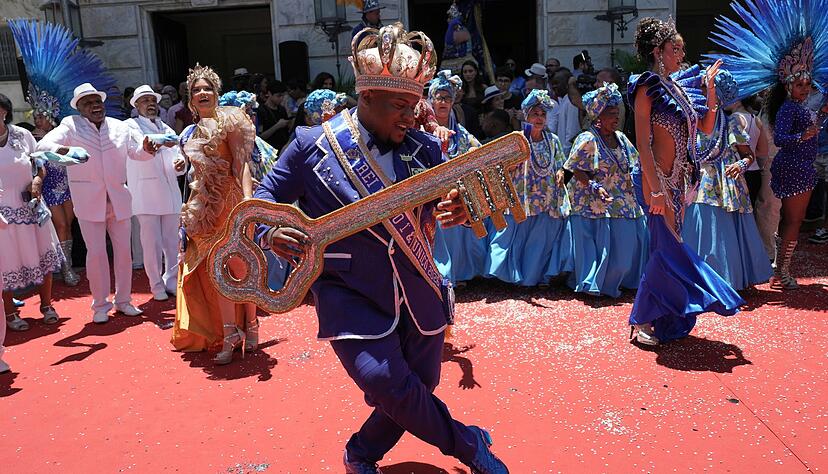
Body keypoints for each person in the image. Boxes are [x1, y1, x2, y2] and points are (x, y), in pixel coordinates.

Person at [254, 23, 508, 473]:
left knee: (419, 387)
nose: (412, 116)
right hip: (347, 291)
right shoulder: (312, 147)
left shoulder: (424, 148)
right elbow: (260, 203)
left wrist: (463, 210)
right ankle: (469, 445)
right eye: (400, 105)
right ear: (366, 97)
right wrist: (271, 233)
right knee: (386, 382)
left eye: (415, 104)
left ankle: (362, 452)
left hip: (418, 289)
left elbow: (453, 197)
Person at [627, 17, 743, 346]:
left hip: (680, 184)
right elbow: (643, 143)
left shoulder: (679, 89)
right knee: (666, 250)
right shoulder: (646, 85)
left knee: (666, 248)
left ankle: (662, 315)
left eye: (682, 48)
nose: (681, 53)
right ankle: (645, 319)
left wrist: (709, 89)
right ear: (656, 51)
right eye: (674, 48)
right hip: (656, 179)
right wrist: (655, 187)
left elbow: (705, 129)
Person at [707, 0, 828, 289]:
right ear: (787, 85)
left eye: (808, 83)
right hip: (792, 168)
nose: (806, 88)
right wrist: (805, 135)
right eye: (800, 84)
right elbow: (784, 139)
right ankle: (780, 270)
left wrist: (818, 120)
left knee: (789, 219)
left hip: (800, 167)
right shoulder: (787, 109)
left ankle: (779, 266)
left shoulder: (797, 108)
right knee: (790, 220)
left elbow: (806, 130)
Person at [37, 83, 157, 323]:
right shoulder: (71, 125)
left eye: (97, 101)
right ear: (79, 108)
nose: (95, 106)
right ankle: (100, 305)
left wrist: (148, 150)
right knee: (97, 255)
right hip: (89, 201)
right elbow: (42, 146)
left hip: (119, 199)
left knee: (124, 253)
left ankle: (123, 301)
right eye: (88, 103)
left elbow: (137, 153)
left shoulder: (119, 126)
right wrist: (66, 152)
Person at [171, 64, 259, 365]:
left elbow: (242, 163)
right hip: (204, 207)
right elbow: (195, 171)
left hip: (230, 203)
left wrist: (248, 199)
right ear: (191, 99)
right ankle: (229, 332)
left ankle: (251, 323)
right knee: (216, 272)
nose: (202, 92)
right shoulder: (191, 132)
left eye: (207, 87)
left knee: (241, 267)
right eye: (196, 90)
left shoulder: (231, 120)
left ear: (216, 92)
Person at [681, 71, 773, 291]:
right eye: (703, 88)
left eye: (707, 89)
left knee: (722, 235)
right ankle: (700, 280)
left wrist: (740, 165)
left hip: (727, 186)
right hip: (699, 185)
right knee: (699, 231)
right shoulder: (693, 123)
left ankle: (725, 281)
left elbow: (749, 155)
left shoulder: (732, 123)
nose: (702, 93)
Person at [565, 83, 647, 297]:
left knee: (625, 252)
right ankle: (593, 284)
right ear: (598, 117)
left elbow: (636, 164)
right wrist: (594, 186)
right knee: (597, 250)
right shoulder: (587, 139)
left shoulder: (621, 138)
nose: (616, 117)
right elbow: (575, 169)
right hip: (594, 203)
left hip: (624, 201)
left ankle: (621, 282)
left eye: (617, 112)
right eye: (611, 113)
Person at [486, 89, 572, 286]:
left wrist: (561, 173)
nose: (539, 118)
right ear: (527, 115)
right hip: (522, 195)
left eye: (543, 114)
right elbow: (502, 166)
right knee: (516, 237)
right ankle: (510, 276)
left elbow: (561, 163)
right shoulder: (518, 138)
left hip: (546, 197)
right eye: (535, 114)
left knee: (540, 241)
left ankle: (535, 277)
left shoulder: (553, 140)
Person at [0, 94, 64, 331]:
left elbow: (40, 163)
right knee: (5, 262)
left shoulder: (22, 135)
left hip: (31, 206)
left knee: (42, 254)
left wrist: (37, 180)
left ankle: (47, 306)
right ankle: (10, 313)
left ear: (4, 111)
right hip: (3, 214)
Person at [125, 85, 186, 301]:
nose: (150, 104)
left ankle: (171, 280)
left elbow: (178, 153)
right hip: (145, 191)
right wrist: (152, 147)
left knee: (172, 241)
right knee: (151, 244)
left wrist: (181, 164)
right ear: (136, 105)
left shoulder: (166, 127)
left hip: (170, 191)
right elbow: (136, 153)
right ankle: (156, 285)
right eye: (145, 100)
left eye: (153, 100)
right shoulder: (130, 127)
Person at [428, 71, 485, 287]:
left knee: (456, 228)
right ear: (431, 100)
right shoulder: (423, 130)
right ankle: (437, 274)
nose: (443, 102)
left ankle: (458, 273)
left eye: (447, 98)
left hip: (455, 190)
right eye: (439, 97)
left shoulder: (461, 133)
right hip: (432, 190)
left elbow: (478, 152)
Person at [548, 68, 582, 154]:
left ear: (567, 84)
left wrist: (565, 157)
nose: (554, 86)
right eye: (552, 84)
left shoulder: (572, 102)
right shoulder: (563, 101)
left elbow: (571, 133)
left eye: (557, 83)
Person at [258, 80, 292, 151]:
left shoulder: (282, 109)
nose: (281, 98)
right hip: (269, 150)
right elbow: (260, 136)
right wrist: (278, 126)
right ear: (269, 94)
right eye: (278, 96)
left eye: (283, 95)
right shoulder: (261, 111)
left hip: (283, 147)